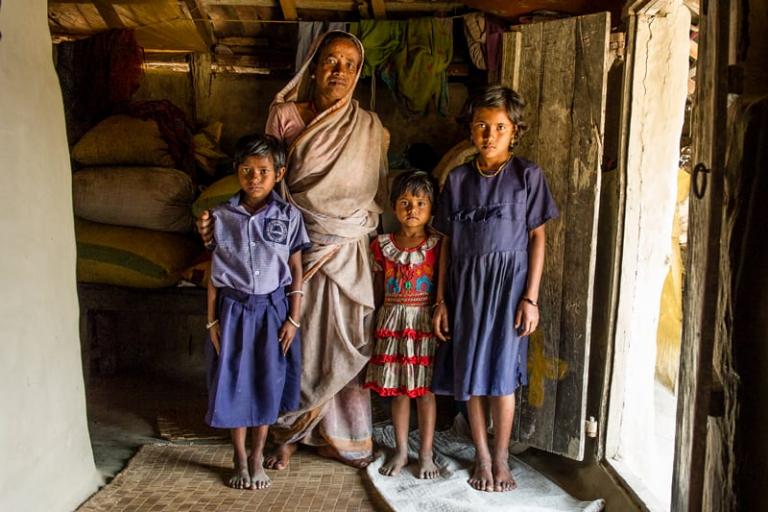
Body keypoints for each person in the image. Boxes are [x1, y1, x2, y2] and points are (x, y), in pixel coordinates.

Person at [198, 31, 388, 469]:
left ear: (358, 73)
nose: (338, 71)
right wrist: (220, 224)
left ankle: (341, 438)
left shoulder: (370, 127)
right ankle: (289, 436)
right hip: (288, 248)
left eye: (348, 64)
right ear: (314, 65)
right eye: (330, 61)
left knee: (340, 344)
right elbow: (267, 183)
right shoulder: (285, 115)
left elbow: (373, 190)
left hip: (344, 249)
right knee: (294, 344)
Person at [431, 85, 559, 492]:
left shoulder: (528, 176)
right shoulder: (457, 180)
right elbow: (447, 243)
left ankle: (502, 458)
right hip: (465, 290)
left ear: (514, 132)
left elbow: (538, 237)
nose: (489, 135)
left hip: (508, 292)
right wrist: (441, 302)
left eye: (499, 127)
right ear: (471, 130)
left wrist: (531, 298)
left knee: (503, 377)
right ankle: (481, 458)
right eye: (482, 126)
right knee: (470, 375)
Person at [205, 134, 310, 490]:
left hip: (273, 311)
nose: (254, 178)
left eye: (263, 170)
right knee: (235, 382)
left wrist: (293, 318)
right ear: (236, 171)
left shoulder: (289, 216)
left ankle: (256, 455)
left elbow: (296, 270)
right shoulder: (221, 216)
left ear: (278, 173)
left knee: (267, 382)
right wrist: (212, 321)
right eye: (247, 170)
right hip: (233, 311)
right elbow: (213, 275)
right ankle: (237, 456)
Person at [363, 171, 443, 479]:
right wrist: (374, 322)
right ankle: (400, 450)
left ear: (431, 209)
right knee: (399, 391)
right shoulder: (382, 245)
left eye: (421, 203)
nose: (412, 209)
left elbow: (441, 288)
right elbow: (379, 288)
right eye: (405, 202)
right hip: (392, 322)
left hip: (423, 324)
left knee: (425, 391)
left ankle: (425, 454)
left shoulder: (437, 245)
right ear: (393, 207)